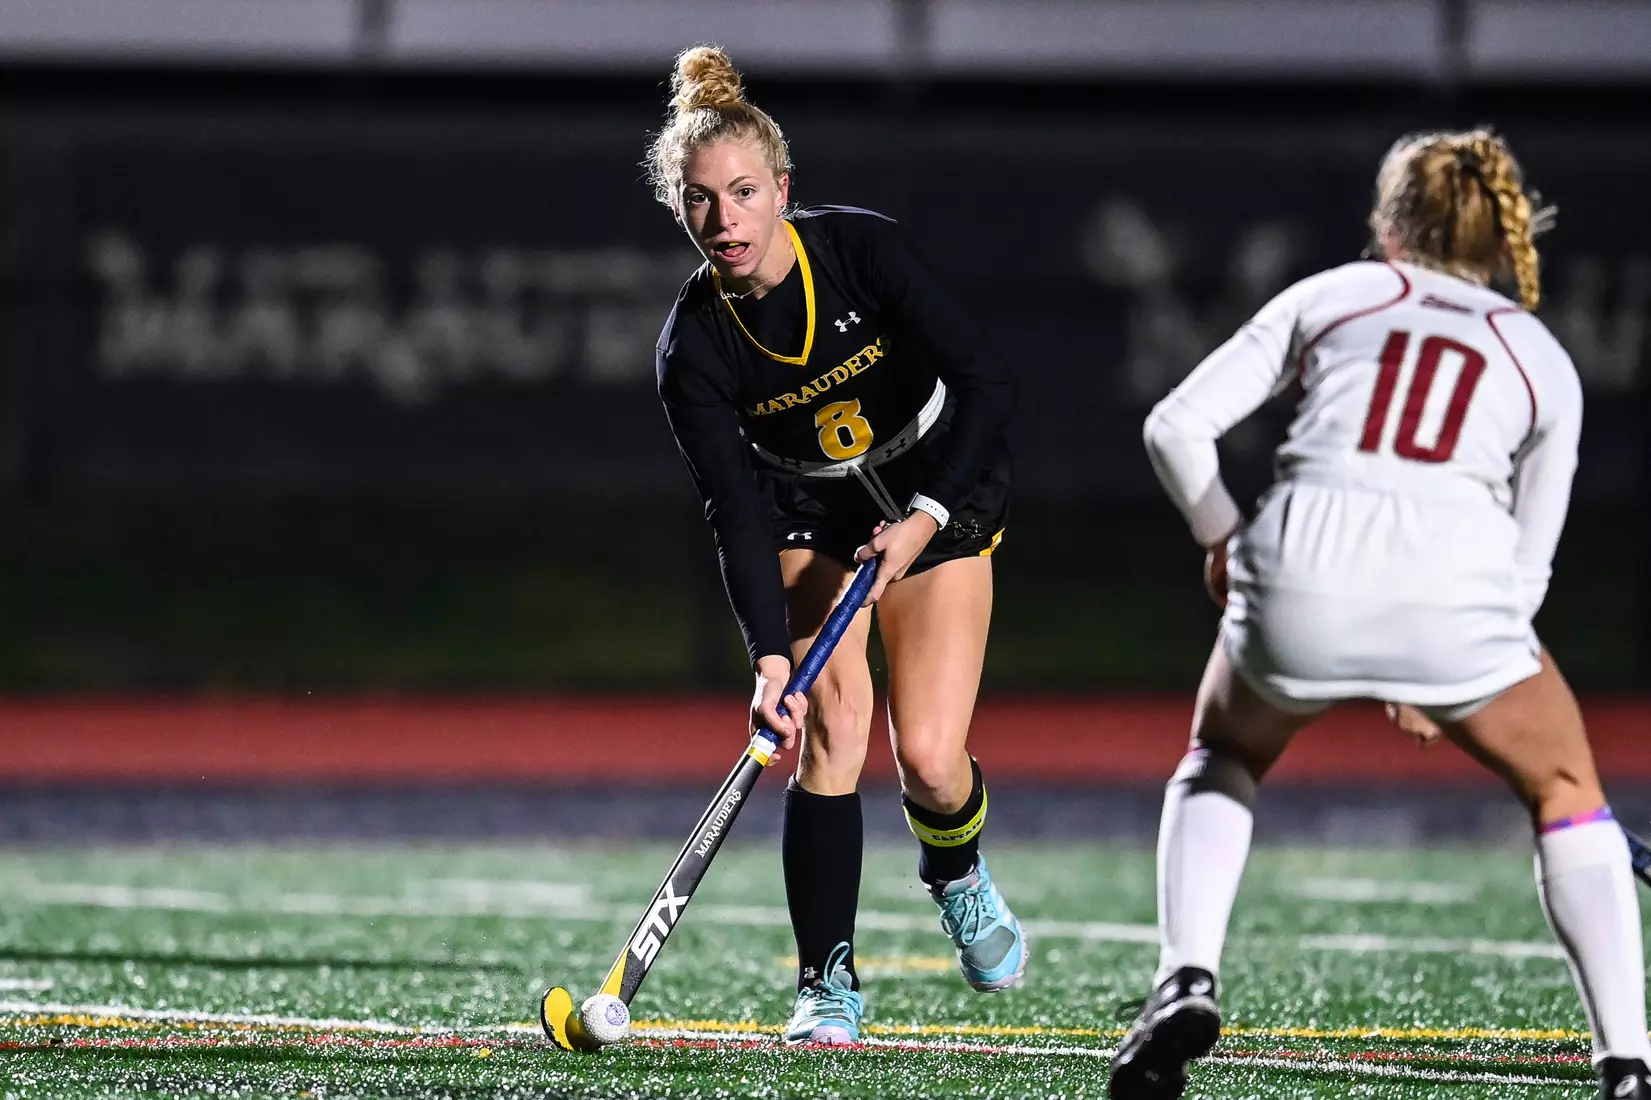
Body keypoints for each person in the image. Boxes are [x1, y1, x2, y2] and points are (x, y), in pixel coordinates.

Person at [1110, 128, 1651, 1100]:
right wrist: (1442, 676)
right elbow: (1529, 559)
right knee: (1568, 785)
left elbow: (1173, 426)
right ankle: (1625, 1063)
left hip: (1300, 559)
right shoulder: (1538, 353)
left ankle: (1185, 976)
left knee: (1221, 753)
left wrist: (1224, 538)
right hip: (1454, 587)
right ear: (1498, 236)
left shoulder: (1330, 294)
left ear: (1386, 223)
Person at [647, 45, 1027, 1044]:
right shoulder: (693, 345)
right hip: (806, 515)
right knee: (827, 717)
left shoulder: (863, 254)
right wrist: (771, 655)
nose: (723, 218)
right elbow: (732, 506)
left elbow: (989, 380)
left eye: (741, 192)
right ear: (679, 210)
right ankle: (827, 983)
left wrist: (926, 516)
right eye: (700, 200)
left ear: (781, 191)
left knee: (933, 763)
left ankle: (955, 871)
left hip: (936, 492)